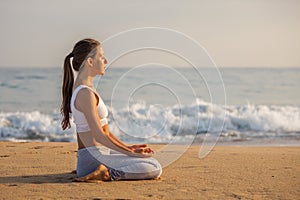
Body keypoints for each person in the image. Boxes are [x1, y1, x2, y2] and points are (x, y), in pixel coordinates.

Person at [60, 38, 162, 182]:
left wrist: (129, 149)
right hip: (93, 158)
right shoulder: (85, 94)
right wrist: (130, 154)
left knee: (150, 160)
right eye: (101, 57)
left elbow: (104, 131)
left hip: (99, 154)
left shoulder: (86, 89)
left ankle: (100, 168)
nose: (106, 61)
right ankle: (105, 173)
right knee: (154, 167)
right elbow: (99, 136)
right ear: (89, 62)